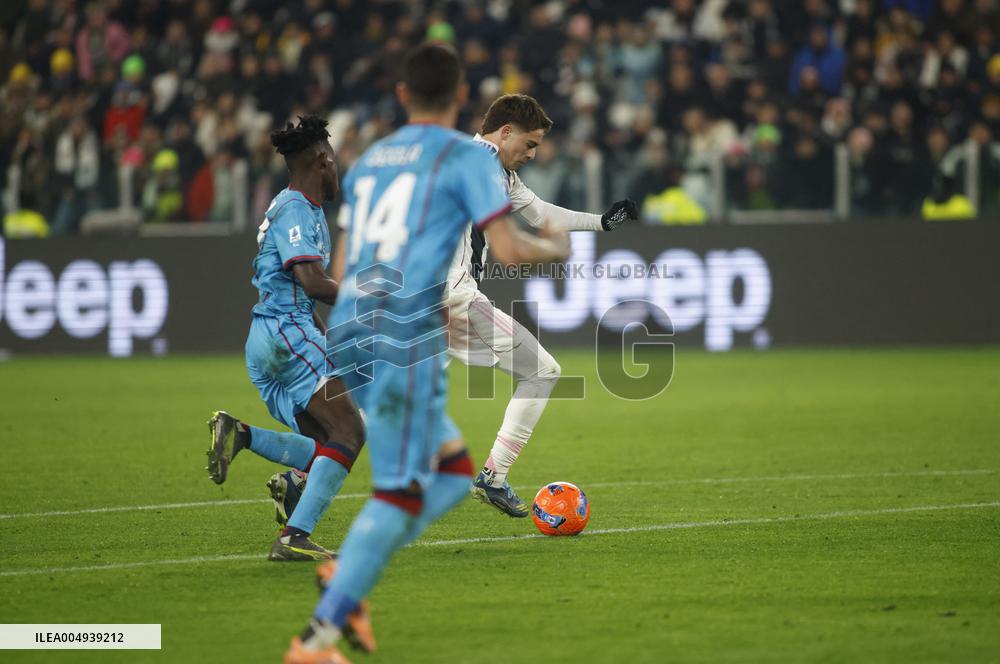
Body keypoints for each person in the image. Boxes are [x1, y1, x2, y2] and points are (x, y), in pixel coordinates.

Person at [283, 43, 570, 663]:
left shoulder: (372, 161)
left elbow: (342, 262)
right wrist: (558, 250)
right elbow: (512, 252)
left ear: (404, 96)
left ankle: (337, 601)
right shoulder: (469, 158)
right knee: (431, 484)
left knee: (431, 473)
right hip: (409, 326)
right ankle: (332, 608)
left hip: (355, 323)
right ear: (460, 99)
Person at [455, 93, 638, 516]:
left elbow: (540, 213)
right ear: (505, 132)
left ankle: (306, 471)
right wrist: (550, 252)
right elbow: (516, 242)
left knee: (392, 401)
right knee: (543, 371)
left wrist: (600, 223)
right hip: (454, 298)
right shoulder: (482, 164)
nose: (533, 154)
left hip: (417, 297)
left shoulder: (478, 163)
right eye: (530, 143)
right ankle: (494, 478)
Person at [204, 115, 366, 562]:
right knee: (351, 429)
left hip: (272, 337)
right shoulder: (297, 209)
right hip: (284, 332)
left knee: (324, 446)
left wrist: (330, 334)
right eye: (333, 163)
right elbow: (312, 281)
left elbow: (299, 286)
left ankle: (243, 436)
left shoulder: (296, 208)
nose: (338, 172)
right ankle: (294, 535)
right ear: (321, 160)